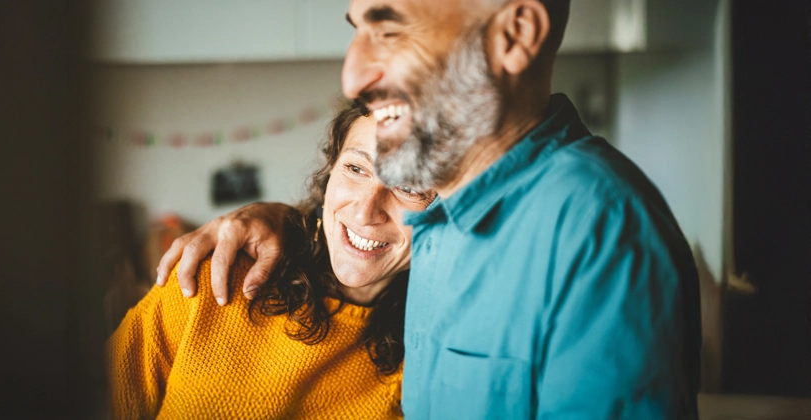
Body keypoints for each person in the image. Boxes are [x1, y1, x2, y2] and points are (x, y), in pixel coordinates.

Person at [155, 0, 700, 418]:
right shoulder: (446, 213)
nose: (353, 76)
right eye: (358, 31)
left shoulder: (600, 233)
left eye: (390, 31)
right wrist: (286, 220)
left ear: (515, 34)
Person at [110, 103, 435, 419]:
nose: (365, 211)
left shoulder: (436, 353)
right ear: (330, 172)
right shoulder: (215, 277)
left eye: (409, 185)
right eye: (355, 168)